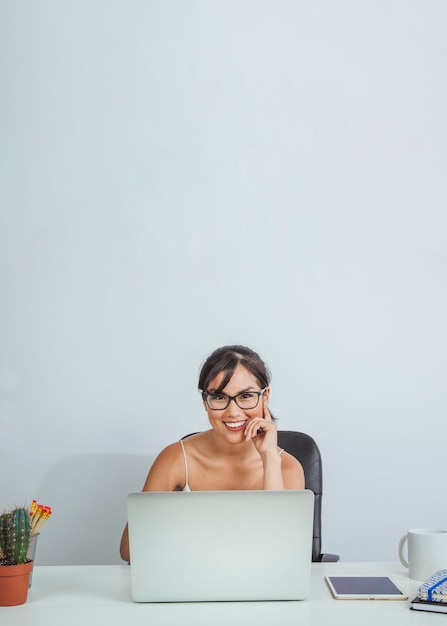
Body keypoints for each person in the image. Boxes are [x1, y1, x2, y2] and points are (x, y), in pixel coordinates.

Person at [119, 344, 305, 563]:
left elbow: (280, 553)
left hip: (262, 587)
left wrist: (269, 458)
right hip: (189, 581)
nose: (233, 411)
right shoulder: (176, 458)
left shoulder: (287, 466)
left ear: (265, 397)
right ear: (204, 402)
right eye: (219, 397)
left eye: (246, 396)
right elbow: (129, 551)